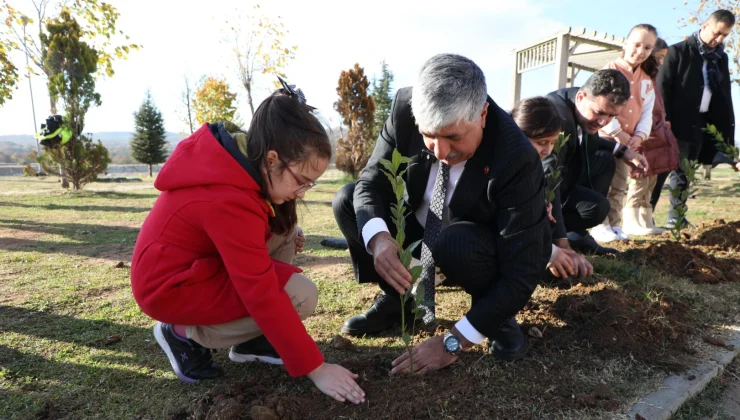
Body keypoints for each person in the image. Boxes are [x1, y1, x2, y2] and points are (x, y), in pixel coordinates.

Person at [130, 84, 366, 404]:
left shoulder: (240, 165)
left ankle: (253, 342)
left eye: (311, 184)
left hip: (193, 267)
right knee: (301, 296)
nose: (304, 192)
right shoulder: (228, 199)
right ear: (272, 159)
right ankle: (184, 336)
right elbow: (261, 292)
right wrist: (317, 367)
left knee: (285, 229)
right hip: (168, 286)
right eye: (301, 181)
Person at [333, 54, 551, 373]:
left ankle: (493, 314)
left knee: (455, 242)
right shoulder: (404, 108)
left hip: (473, 243)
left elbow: (524, 266)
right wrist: (379, 239)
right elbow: (370, 182)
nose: (440, 152)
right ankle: (397, 297)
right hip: (419, 227)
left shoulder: (516, 157)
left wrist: (452, 342)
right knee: (348, 199)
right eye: (429, 136)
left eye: (453, 137)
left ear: (483, 114)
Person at [544, 70, 649, 255]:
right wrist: (561, 244)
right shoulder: (556, 120)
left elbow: (585, 141)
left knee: (604, 160)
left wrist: (623, 151)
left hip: (567, 177)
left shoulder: (581, 103)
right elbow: (549, 186)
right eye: (599, 113)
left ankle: (577, 235)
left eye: (611, 116)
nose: (603, 122)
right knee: (596, 207)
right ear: (581, 97)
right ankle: (551, 236)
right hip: (537, 195)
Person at [657, 9, 736, 228]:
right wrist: (666, 119)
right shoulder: (677, 52)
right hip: (677, 119)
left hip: (703, 120)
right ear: (705, 25)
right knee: (671, 170)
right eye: (717, 33)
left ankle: (677, 216)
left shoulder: (721, 57)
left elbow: (723, 93)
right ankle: (650, 216)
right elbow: (663, 87)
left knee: (687, 169)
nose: (718, 40)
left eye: (725, 36)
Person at [511, 96, 594, 279]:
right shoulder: (503, 170)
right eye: (541, 143)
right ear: (518, 134)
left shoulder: (530, 167)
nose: (547, 151)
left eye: (552, 143)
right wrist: (549, 251)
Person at [594, 24, 658, 240]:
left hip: (628, 142)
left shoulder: (646, 79)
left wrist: (639, 135)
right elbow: (598, 106)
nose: (640, 51)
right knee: (602, 181)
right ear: (626, 43)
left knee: (620, 184)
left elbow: (647, 111)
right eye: (636, 44)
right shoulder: (609, 70)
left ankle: (614, 223)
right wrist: (617, 132)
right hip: (604, 138)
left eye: (647, 48)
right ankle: (598, 224)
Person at [636, 38, 680, 225]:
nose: (661, 62)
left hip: (655, 133)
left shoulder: (651, 78)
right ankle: (629, 219)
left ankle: (646, 219)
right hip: (644, 135)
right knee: (639, 181)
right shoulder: (639, 78)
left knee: (651, 180)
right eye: (659, 57)